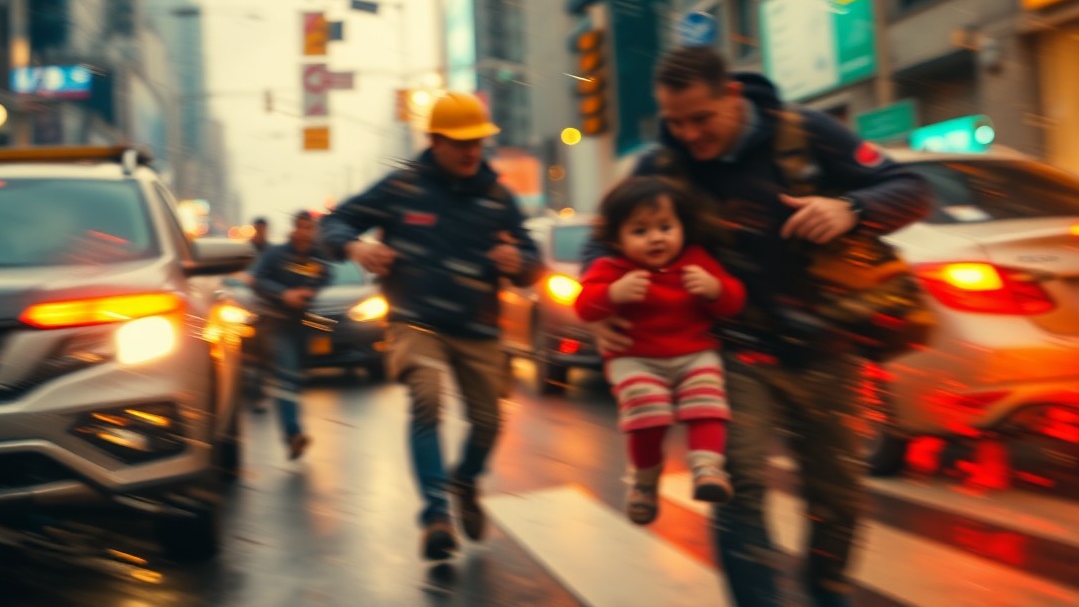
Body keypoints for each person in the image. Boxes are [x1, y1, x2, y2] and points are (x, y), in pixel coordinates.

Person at [583, 46, 930, 607]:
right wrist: (601, 309)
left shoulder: (805, 131)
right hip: (732, 350)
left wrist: (851, 209)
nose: (689, 134)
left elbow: (913, 188)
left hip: (826, 348)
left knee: (837, 499)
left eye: (701, 118)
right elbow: (601, 244)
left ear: (733, 95)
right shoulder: (660, 166)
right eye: (675, 121)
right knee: (737, 488)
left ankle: (826, 593)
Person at [318, 92, 541, 561]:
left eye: (477, 142)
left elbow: (532, 263)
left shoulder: (499, 198)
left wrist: (518, 261)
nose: (471, 151)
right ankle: (436, 516)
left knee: (488, 423)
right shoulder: (402, 188)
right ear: (434, 141)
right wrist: (356, 249)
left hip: (478, 328)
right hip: (415, 321)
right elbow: (335, 222)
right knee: (427, 397)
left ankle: (464, 479)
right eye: (460, 142)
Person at [574, 175, 747, 524]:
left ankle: (708, 470)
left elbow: (734, 300)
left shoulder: (695, 261)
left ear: (682, 226)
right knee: (647, 417)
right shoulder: (611, 269)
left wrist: (714, 288)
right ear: (616, 239)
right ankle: (644, 483)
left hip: (694, 351)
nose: (656, 237)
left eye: (665, 227)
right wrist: (613, 294)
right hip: (635, 358)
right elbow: (584, 306)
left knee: (707, 405)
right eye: (640, 231)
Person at [249, 211, 330, 460]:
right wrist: (284, 294)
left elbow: (325, 274)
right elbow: (257, 279)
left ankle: (290, 434)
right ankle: (294, 434)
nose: (306, 233)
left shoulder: (316, 256)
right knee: (287, 376)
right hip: (277, 324)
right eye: (302, 228)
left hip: (303, 326)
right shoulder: (276, 254)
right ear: (294, 230)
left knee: (294, 379)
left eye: (311, 228)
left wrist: (310, 290)